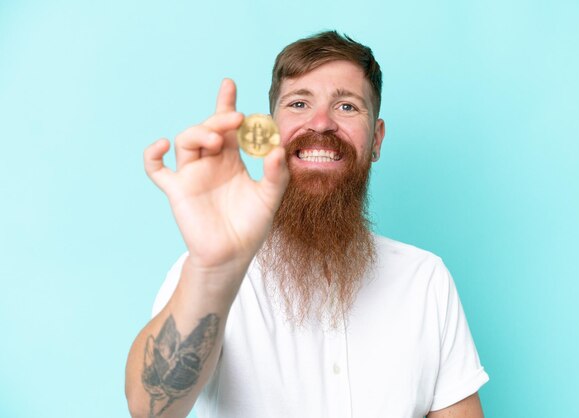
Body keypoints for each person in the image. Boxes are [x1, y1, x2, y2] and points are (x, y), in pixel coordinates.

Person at [125, 31, 489, 418]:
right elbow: (150, 409)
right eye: (299, 103)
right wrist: (213, 270)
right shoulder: (205, 274)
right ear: (266, 133)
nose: (321, 123)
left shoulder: (425, 279)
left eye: (347, 107)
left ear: (377, 140)